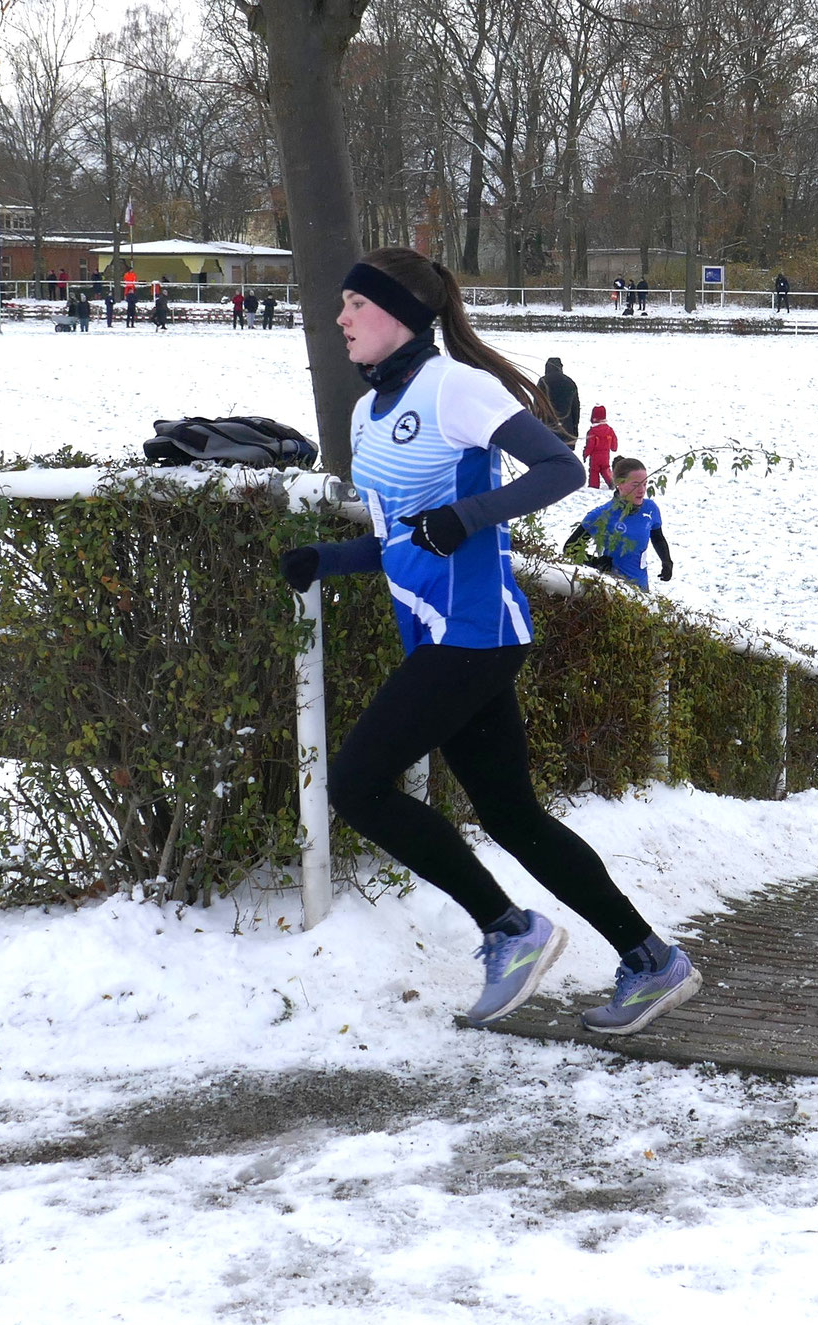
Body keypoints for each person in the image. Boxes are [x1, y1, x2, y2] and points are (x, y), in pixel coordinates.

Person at [278, 245, 699, 1036]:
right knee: (513, 816)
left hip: (475, 633)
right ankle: (650, 958)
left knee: (357, 784)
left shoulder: (456, 389)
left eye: (353, 306)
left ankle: (510, 929)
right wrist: (325, 562)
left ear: (399, 314)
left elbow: (562, 469)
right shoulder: (367, 415)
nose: (339, 319)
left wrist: (468, 517)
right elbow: (402, 539)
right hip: (439, 639)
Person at [564, 456, 671, 588]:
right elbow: (570, 549)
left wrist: (666, 561)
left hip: (641, 586)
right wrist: (596, 562)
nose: (642, 490)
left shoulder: (650, 509)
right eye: (636, 485)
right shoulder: (602, 514)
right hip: (613, 587)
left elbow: (657, 537)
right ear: (619, 484)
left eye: (645, 484)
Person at [539, 356, 580, 441]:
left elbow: (537, 407)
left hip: (546, 431)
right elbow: (575, 410)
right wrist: (574, 431)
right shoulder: (570, 383)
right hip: (566, 431)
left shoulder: (543, 382)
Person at [582, 403, 618, 489]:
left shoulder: (592, 432)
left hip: (595, 457)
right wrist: (614, 448)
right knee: (605, 469)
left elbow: (589, 446)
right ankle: (611, 481)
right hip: (605, 455)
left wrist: (585, 454)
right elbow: (614, 442)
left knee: (594, 471)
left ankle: (593, 486)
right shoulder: (610, 430)